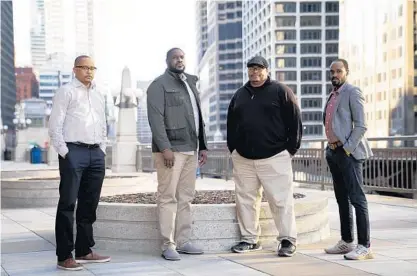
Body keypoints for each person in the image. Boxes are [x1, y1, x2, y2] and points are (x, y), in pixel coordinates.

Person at [227, 56, 302, 257]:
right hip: (244, 159)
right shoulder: (240, 95)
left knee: (281, 201)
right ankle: (249, 239)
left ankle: (287, 240)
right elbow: (231, 124)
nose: (255, 72)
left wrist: (290, 150)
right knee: (245, 200)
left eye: (259, 69)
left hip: (275, 156)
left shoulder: (280, 91)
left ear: (267, 70)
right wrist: (233, 149)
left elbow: (295, 121)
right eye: (251, 69)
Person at [49, 55, 110, 271]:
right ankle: (64, 255)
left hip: (95, 154)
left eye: (92, 67)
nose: (89, 71)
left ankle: (84, 250)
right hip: (74, 151)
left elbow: (103, 124)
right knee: (67, 204)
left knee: (89, 204)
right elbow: (54, 125)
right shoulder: (66, 91)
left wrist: (102, 149)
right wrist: (66, 152)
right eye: (84, 67)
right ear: (75, 69)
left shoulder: (99, 94)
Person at [147, 48, 208, 261]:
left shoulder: (190, 84)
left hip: (191, 149)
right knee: (167, 197)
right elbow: (156, 119)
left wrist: (204, 146)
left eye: (182, 57)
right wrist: (165, 148)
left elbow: (198, 117)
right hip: (171, 151)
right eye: (175, 57)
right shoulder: (158, 85)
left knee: (186, 198)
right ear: (167, 61)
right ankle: (167, 244)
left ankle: (183, 241)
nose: (179, 60)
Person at [323, 59, 374, 260]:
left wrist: (347, 149)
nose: (335, 74)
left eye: (339, 71)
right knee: (341, 199)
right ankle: (346, 241)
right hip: (333, 153)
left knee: (357, 199)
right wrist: (332, 149)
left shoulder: (352, 92)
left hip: (348, 154)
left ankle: (365, 246)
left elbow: (361, 125)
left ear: (346, 72)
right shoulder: (332, 95)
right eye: (332, 71)